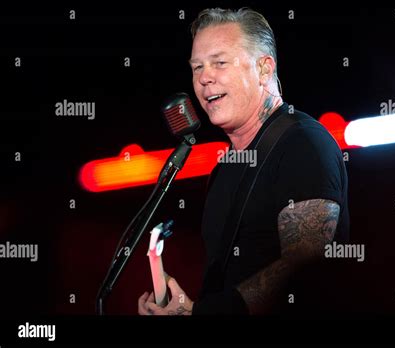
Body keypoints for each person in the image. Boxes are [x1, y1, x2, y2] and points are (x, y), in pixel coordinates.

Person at [138, 7, 349, 316]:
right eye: (197, 67)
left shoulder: (302, 142)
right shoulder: (224, 170)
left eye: (219, 63)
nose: (204, 78)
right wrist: (184, 309)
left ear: (264, 69)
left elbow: (304, 270)